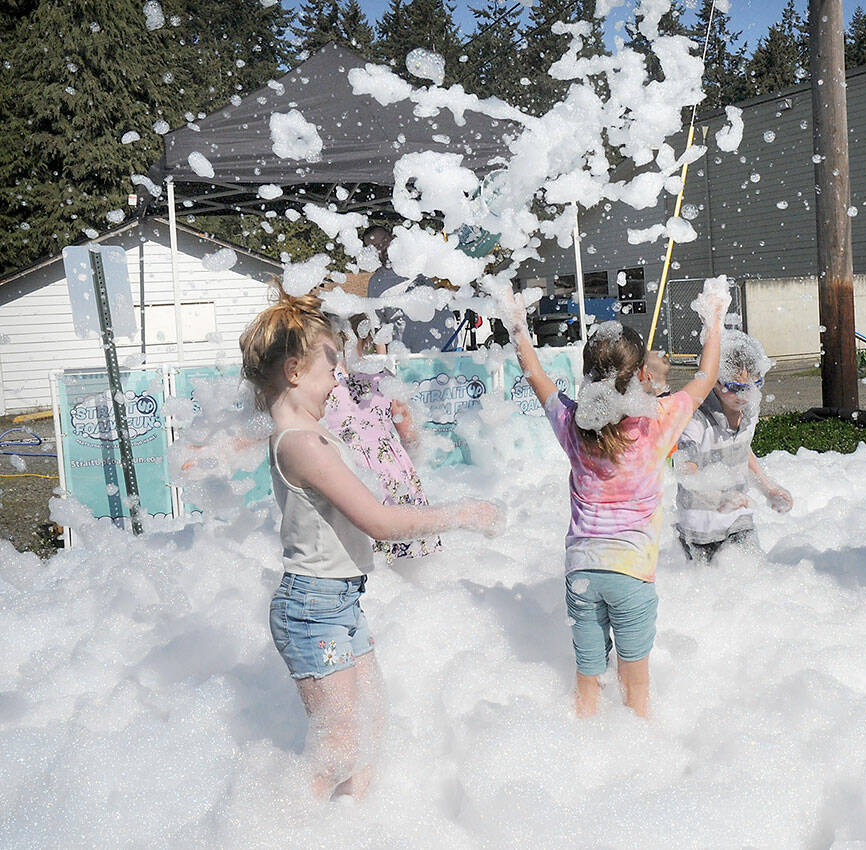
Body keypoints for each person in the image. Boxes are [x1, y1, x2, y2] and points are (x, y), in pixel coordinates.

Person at [239, 289, 502, 800]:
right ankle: (286, 830)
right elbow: (378, 523)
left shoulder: (311, 436)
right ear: (294, 371)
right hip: (312, 609)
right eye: (329, 367)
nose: (337, 377)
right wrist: (463, 515)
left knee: (371, 723)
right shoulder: (301, 444)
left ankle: (355, 826)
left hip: (337, 603)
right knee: (337, 746)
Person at [502, 284, 726, 718]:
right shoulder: (657, 423)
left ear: (586, 373)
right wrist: (713, 319)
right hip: (631, 575)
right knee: (635, 689)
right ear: (640, 374)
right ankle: (635, 762)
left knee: (587, 683)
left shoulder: (572, 425)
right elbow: (705, 378)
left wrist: (516, 324)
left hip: (582, 571)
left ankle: (583, 756)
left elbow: (535, 375)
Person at [323, 319, 442, 565]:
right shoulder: (382, 378)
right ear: (366, 339)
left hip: (348, 471)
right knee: (404, 554)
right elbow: (407, 430)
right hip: (391, 469)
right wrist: (414, 457)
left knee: (356, 555)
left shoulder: (325, 383)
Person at [674, 329, 792, 564]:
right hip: (698, 530)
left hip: (738, 522)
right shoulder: (697, 421)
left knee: (751, 578)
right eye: (735, 388)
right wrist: (719, 497)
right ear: (715, 382)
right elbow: (684, 468)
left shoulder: (749, 411)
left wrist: (768, 489)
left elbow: (741, 450)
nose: (743, 395)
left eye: (749, 387)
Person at [363, 225, 458, 354]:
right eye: (375, 246)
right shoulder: (376, 284)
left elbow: (455, 285)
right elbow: (379, 330)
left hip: (448, 350)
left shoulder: (422, 261)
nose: (382, 247)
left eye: (384, 240)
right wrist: (385, 368)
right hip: (409, 360)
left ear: (393, 237)